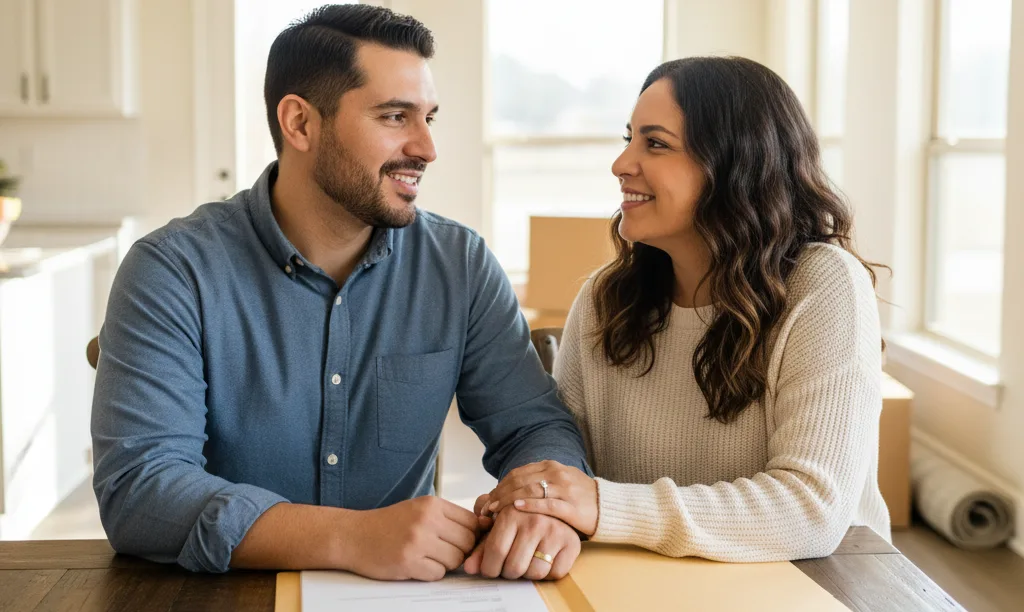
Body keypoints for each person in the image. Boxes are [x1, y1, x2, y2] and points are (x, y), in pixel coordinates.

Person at [91, 4, 587, 581]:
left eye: (428, 116)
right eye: (395, 116)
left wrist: (545, 508)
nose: (427, 148)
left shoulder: (461, 265)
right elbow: (141, 490)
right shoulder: (173, 271)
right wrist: (349, 537)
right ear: (300, 123)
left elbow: (533, 427)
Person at [478, 56, 890, 563]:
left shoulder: (824, 285)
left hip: (816, 583)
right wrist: (536, 508)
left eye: (655, 143)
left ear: (736, 163)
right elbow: (570, 466)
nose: (621, 164)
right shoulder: (604, 298)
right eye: (628, 138)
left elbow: (812, 510)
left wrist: (603, 505)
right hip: (649, 580)